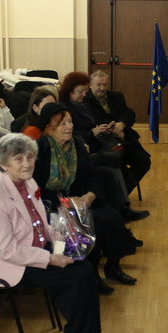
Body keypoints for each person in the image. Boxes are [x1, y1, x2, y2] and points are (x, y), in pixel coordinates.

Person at [0, 133, 117, 333]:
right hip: (9, 261)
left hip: (33, 246)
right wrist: (51, 258)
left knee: (87, 269)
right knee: (75, 277)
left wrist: (63, 243)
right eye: (18, 159)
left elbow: (41, 223)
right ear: (3, 163)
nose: (27, 164)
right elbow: (7, 250)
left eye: (30, 157)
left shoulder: (28, 182)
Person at [33, 103, 137, 294]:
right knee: (94, 223)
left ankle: (113, 266)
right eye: (63, 124)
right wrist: (64, 202)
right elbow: (35, 188)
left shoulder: (77, 146)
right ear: (49, 128)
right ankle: (92, 274)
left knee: (113, 218)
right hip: (53, 205)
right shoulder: (40, 149)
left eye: (70, 122)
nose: (69, 126)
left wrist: (90, 195)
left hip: (82, 198)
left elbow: (93, 175)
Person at [82, 70, 151, 190]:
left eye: (105, 85)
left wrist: (121, 124)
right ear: (90, 85)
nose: (102, 88)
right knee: (117, 164)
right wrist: (112, 128)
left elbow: (129, 113)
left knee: (144, 162)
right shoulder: (84, 101)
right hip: (102, 143)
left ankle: (122, 191)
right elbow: (92, 122)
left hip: (123, 140)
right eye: (98, 85)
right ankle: (117, 193)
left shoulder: (117, 96)